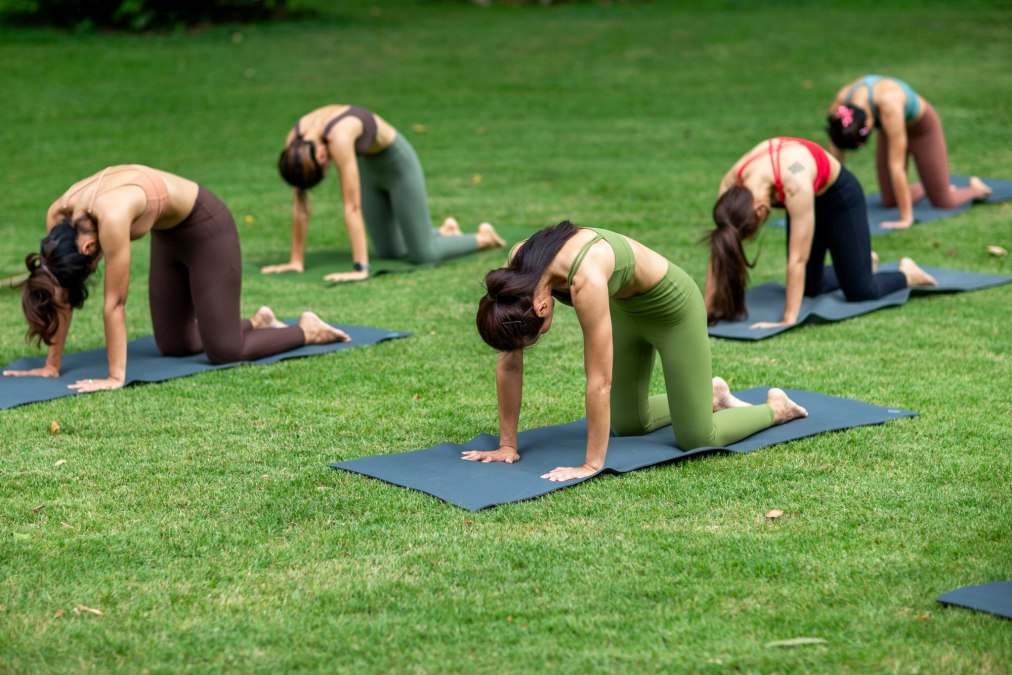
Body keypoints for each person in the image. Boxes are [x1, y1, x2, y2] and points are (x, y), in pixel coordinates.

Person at [467, 221, 809, 482]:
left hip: (673, 311)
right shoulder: (516, 270)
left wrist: (590, 464)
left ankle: (775, 409)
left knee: (697, 437)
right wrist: (507, 445)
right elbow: (508, 364)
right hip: (624, 311)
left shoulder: (585, 277)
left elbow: (599, 381)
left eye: (534, 338)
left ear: (541, 307)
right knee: (629, 424)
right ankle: (711, 395)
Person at [4, 165, 349, 392]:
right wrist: (52, 365)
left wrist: (114, 377)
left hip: (207, 229)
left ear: (89, 246)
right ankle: (260, 320)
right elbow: (61, 286)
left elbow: (115, 303)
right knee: (173, 344)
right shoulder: (59, 216)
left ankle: (307, 329)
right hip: (168, 236)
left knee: (226, 351)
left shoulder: (111, 216)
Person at [705, 137, 939, 329]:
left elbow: (798, 258)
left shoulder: (794, 184)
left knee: (860, 290)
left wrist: (788, 320)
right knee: (808, 287)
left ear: (759, 210)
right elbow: (721, 246)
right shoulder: (730, 185)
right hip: (805, 196)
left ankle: (907, 273)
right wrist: (705, 311)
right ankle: (863, 263)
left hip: (839, 198)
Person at [262, 104, 506, 281]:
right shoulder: (295, 144)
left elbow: (352, 206)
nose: (328, 170)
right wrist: (296, 261)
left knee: (424, 254)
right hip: (369, 169)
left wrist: (360, 268)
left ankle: (483, 237)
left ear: (322, 155)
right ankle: (445, 231)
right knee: (391, 252)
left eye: (325, 170)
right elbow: (300, 203)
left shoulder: (340, 136)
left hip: (398, 166)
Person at [826, 75, 992, 229]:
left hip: (922, 130)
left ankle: (976, 189)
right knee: (890, 201)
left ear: (869, 122)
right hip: (890, 128)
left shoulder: (889, 103)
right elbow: (836, 157)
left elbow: (896, 166)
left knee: (944, 201)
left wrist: (905, 218)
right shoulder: (841, 105)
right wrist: (836, 201)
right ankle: (931, 184)